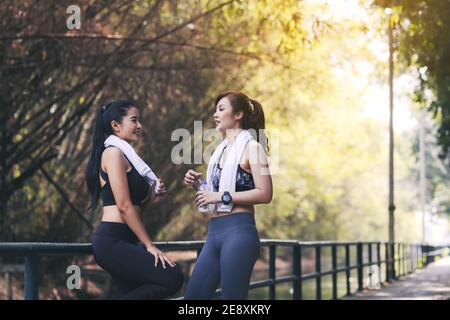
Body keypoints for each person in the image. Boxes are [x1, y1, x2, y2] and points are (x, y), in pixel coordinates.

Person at [85, 100, 184, 299]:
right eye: (134, 120)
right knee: (172, 278)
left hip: (127, 238)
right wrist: (149, 245)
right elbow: (122, 205)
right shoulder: (112, 153)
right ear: (116, 125)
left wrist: (153, 196)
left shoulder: (128, 157)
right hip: (112, 240)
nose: (140, 126)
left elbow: (136, 207)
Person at [183, 92, 273, 299]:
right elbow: (215, 193)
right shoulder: (220, 151)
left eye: (221, 109)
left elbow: (265, 193)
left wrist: (219, 196)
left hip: (239, 233)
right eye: (215, 110)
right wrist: (198, 185)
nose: (215, 114)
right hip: (214, 233)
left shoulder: (253, 148)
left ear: (238, 114)